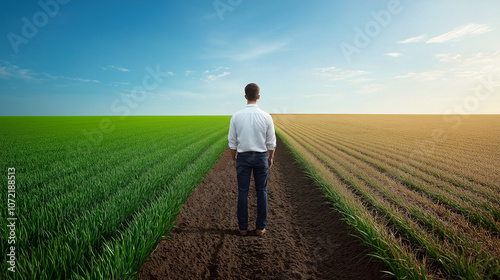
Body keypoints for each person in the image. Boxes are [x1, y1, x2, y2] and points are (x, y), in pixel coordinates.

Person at [228, 83, 277, 237]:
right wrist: (270, 158)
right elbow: (271, 142)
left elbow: (232, 142)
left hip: (243, 157)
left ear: (245, 96)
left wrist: (234, 158)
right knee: (261, 191)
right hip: (261, 156)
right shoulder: (266, 116)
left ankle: (242, 228)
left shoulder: (236, 116)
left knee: (243, 192)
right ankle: (260, 228)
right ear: (258, 96)